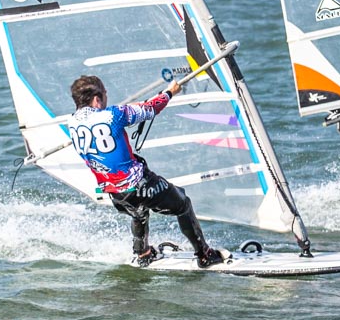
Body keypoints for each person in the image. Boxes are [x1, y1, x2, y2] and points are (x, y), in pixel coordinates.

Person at [67, 74, 226, 267]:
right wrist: (169, 92)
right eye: (105, 93)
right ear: (97, 99)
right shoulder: (114, 114)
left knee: (139, 212)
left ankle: (143, 253)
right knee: (183, 204)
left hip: (115, 192)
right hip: (139, 185)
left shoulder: (71, 123)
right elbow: (150, 108)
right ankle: (205, 254)